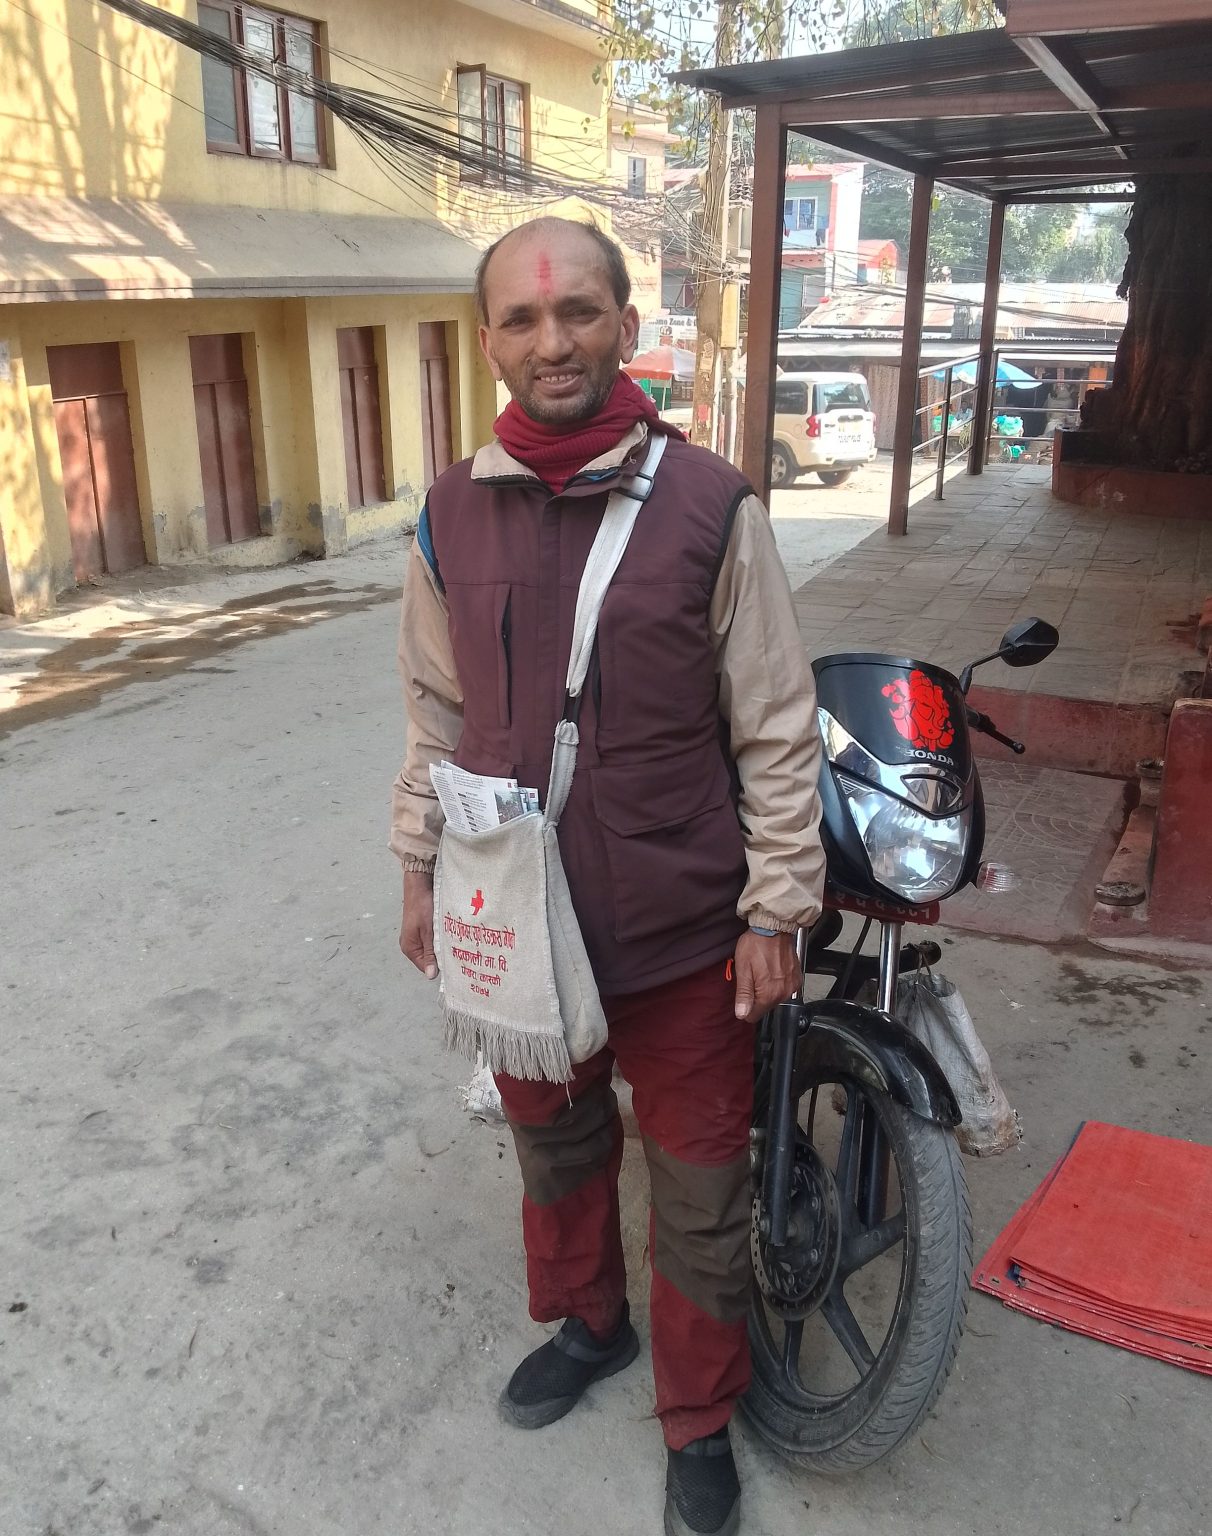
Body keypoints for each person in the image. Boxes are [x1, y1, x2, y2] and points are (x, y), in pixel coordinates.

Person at [391, 217, 825, 1536]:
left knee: (700, 1188)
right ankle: (590, 1325)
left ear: (627, 328)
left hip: (682, 929)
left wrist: (777, 904)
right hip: (514, 921)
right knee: (557, 1142)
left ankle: (697, 1415)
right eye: (522, 319)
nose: (553, 341)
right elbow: (433, 709)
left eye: (579, 311)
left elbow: (775, 720)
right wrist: (417, 864)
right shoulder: (448, 511)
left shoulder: (713, 506)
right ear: (487, 341)